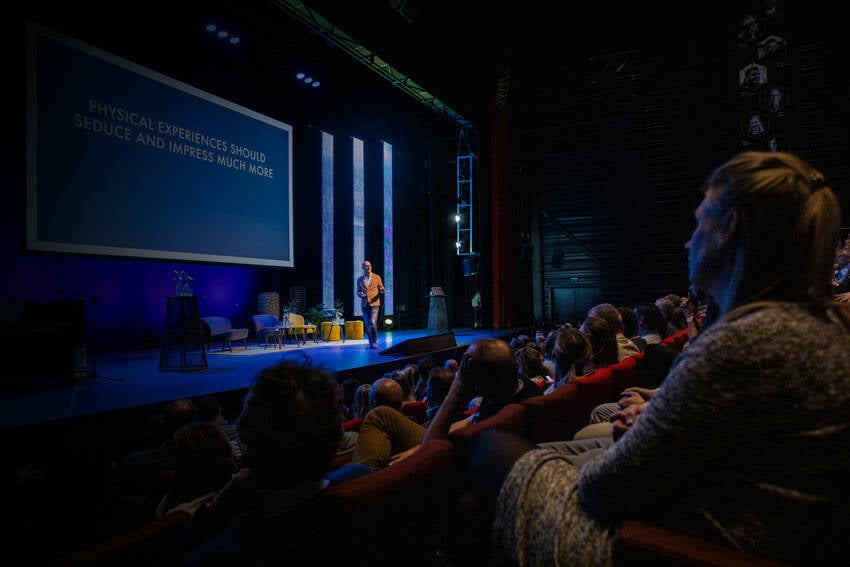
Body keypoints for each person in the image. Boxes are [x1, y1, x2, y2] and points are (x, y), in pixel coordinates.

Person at [468, 151, 850, 565]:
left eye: (698, 223)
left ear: (729, 229)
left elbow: (607, 489)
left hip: (680, 540)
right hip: (731, 521)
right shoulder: (819, 328)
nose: (688, 241)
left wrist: (639, 435)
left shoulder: (744, 344)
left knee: (489, 448)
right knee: (484, 492)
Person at [161, 359, 344, 565]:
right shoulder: (357, 475)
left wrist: (213, 511)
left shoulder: (219, 555)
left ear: (248, 441)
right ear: (336, 433)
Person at [356, 260, 384, 349]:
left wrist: (382, 290)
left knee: (372, 322)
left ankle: (375, 342)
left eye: (369, 266)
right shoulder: (359, 279)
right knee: (367, 324)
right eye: (366, 266)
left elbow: (381, 287)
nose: (368, 268)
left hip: (374, 303)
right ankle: (371, 343)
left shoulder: (377, 277)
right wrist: (360, 294)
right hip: (364, 304)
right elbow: (358, 291)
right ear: (363, 268)